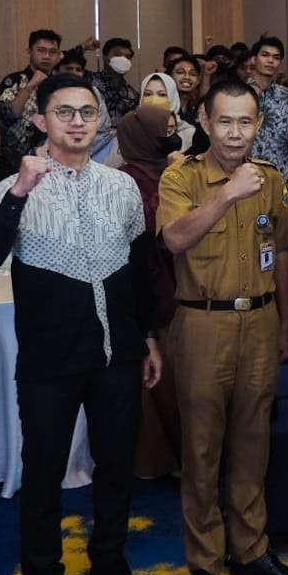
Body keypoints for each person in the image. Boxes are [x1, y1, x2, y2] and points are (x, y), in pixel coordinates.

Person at [0, 73, 163, 575]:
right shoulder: (14, 185)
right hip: (50, 362)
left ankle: (110, 562)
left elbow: (139, 270)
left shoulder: (121, 186)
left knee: (117, 466)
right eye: (64, 112)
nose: (77, 121)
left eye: (87, 112)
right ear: (40, 122)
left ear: (100, 120)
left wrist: (147, 338)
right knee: (45, 473)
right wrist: (20, 191)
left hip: (117, 355)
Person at [157, 79, 288, 575]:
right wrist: (226, 194)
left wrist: (287, 324)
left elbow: (285, 249)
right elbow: (173, 239)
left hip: (261, 322)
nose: (236, 132)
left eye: (246, 122)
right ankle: (204, 563)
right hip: (203, 324)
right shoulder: (183, 176)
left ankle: (250, 549)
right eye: (225, 121)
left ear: (259, 125)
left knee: (253, 441)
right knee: (201, 449)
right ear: (204, 119)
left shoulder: (269, 180)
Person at [115, 105, 183, 478]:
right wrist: (174, 178)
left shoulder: (164, 170)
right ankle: (161, 461)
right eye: (163, 132)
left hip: (177, 281)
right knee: (162, 378)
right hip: (152, 289)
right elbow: (150, 228)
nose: (170, 138)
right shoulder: (128, 179)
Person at [0, 30, 65, 180]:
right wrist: (30, 86)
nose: (47, 56)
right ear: (29, 52)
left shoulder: (61, 85)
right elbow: (6, 116)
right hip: (15, 166)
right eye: (41, 50)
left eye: (52, 52)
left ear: (58, 55)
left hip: (54, 166)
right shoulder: (13, 81)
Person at [244, 35, 288, 189]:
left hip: (282, 176)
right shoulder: (238, 94)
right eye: (265, 55)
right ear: (253, 59)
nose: (270, 61)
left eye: (276, 57)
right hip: (245, 175)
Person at [140, 71, 199, 157]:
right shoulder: (131, 131)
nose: (154, 99)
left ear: (172, 97)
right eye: (148, 94)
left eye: (162, 94)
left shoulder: (189, 134)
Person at [90, 37, 140, 123]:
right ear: (105, 58)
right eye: (118, 55)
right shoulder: (90, 82)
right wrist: (83, 47)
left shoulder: (133, 95)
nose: (123, 60)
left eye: (127, 57)